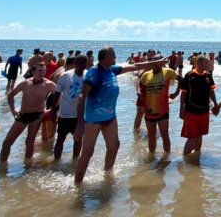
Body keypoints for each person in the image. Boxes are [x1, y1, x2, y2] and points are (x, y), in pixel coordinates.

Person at [73, 48, 162, 182]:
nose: (115, 57)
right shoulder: (94, 73)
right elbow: (81, 98)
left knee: (114, 145)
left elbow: (135, 66)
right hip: (93, 119)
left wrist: (155, 63)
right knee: (87, 152)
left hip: (110, 117)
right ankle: (77, 184)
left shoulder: (112, 70)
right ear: (107, 56)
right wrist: (80, 125)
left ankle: (107, 175)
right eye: (113, 55)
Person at [0, 62, 56, 165]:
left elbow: (59, 95)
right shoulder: (25, 83)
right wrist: (13, 110)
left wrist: (51, 109)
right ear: (33, 72)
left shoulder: (48, 84)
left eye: (44, 71)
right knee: (7, 141)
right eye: (39, 71)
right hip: (23, 114)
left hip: (37, 115)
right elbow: (11, 95)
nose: (42, 73)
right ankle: (2, 166)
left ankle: (27, 166)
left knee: (29, 141)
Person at [178, 55, 218, 157]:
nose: (208, 64)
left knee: (200, 135)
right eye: (206, 63)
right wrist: (181, 108)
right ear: (199, 63)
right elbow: (183, 93)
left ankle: (196, 159)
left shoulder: (208, 76)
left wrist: (216, 104)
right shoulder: (190, 75)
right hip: (192, 111)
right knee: (192, 137)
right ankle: (185, 159)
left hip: (204, 110)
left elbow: (211, 91)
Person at [139, 62, 180, 154]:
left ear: (161, 64)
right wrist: (139, 92)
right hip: (149, 111)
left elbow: (181, 79)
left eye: (158, 63)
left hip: (163, 111)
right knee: (151, 135)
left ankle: (167, 157)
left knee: (164, 135)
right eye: (154, 63)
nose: (156, 65)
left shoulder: (168, 72)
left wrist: (177, 93)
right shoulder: (147, 74)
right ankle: (152, 157)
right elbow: (140, 83)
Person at [53, 55, 87, 159]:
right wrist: (53, 111)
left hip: (80, 115)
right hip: (65, 114)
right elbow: (57, 93)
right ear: (75, 64)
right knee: (60, 139)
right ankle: (56, 161)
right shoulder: (65, 75)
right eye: (82, 62)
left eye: (85, 62)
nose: (84, 64)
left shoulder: (88, 75)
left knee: (78, 139)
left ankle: (75, 161)